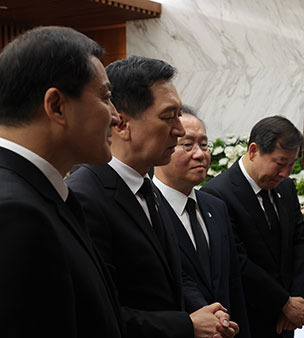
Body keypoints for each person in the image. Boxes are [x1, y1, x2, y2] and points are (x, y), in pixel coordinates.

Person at [66, 56, 238, 338]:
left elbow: (169, 279)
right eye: (168, 116)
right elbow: (96, 313)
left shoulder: (147, 188)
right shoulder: (86, 195)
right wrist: (187, 326)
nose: (180, 129)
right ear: (121, 124)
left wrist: (206, 313)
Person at [0, 26, 124, 337]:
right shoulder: (15, 212)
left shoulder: (39, 192)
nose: (116, 116)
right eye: (106, 97)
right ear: (56, 106)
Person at [202, 116, 304, 338]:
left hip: (286, 321)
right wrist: (282, 302)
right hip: (248, 319)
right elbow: (238, 260)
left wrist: (296, 302)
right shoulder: (217, 194)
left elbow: (301, 241)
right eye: (280, 163)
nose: (285, 173)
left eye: (291, 164)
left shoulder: (286, 188)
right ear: (253, 151)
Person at [153, 106, 251, 337]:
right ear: (163, 147)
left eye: (204, 145)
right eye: (187, 145)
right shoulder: (146, 209)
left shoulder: (216, 206)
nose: (200, 154)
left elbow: (233, 284)